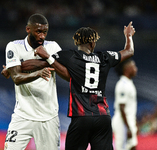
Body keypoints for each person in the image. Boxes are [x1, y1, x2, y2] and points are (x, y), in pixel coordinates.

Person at [34, 21, 136, 150]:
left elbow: (41, 62)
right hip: (102, 117)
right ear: (92, 43)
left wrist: (19, 66)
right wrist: (128, 36)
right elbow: (129, 51)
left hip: (81, 118)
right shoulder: (105, 57)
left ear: (77, 42)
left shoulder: (70, 56)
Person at [2, 13, 61, 150]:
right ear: (28, 29)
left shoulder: (53, 47)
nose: (42, 36)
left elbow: (63, 69)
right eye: (38, 31)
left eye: (45, 32)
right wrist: (41, 70)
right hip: (22, 116)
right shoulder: (14, 46)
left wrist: (18, 66)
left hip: (48, 117)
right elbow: (17, 78)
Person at [112, 58, 138, 150]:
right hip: (122, 123)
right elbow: (122, 107)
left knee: (132, 146)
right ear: (126, 68)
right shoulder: (122, 84)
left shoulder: (129, 83)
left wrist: (133, 124)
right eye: (133, 66)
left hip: (128, 122)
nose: (136, 69)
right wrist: (128, 127)